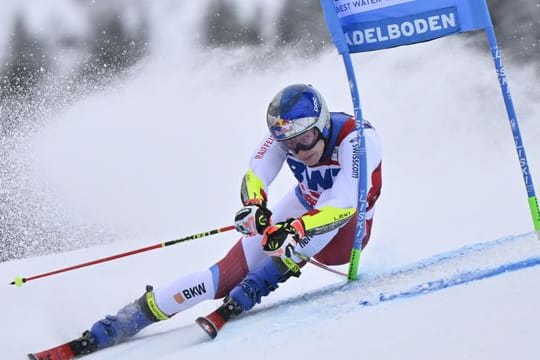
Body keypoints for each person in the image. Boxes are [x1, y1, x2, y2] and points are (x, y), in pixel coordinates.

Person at [52, 83, 382, 355]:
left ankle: (257, 286)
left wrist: (295, 228)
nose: (298, 151)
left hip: (346, 232)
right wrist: (254, 206)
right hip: (304, 206)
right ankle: (120, 323)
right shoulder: (285, 135)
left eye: (304, 140)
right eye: (289, 146)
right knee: (223, 275)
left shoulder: (359, 139)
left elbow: (342, 203)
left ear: (321, 124)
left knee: (299, 231)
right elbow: (256, 172)